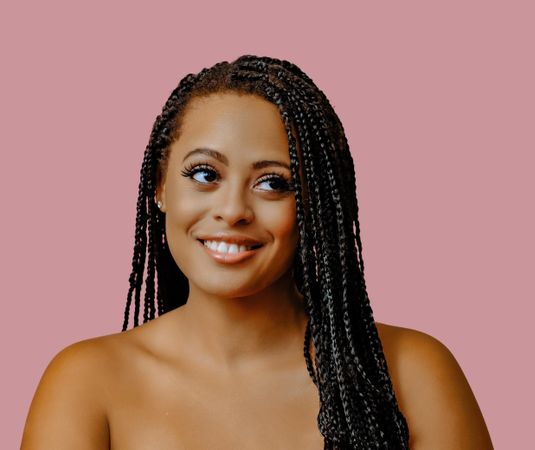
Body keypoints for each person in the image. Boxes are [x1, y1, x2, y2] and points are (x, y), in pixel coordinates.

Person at [21, 55, 493, 449]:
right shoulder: (86, 383)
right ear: (160, 187)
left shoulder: (412, 373)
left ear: (314, 207)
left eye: (273, 183)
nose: (233, 211)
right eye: (205, 174)